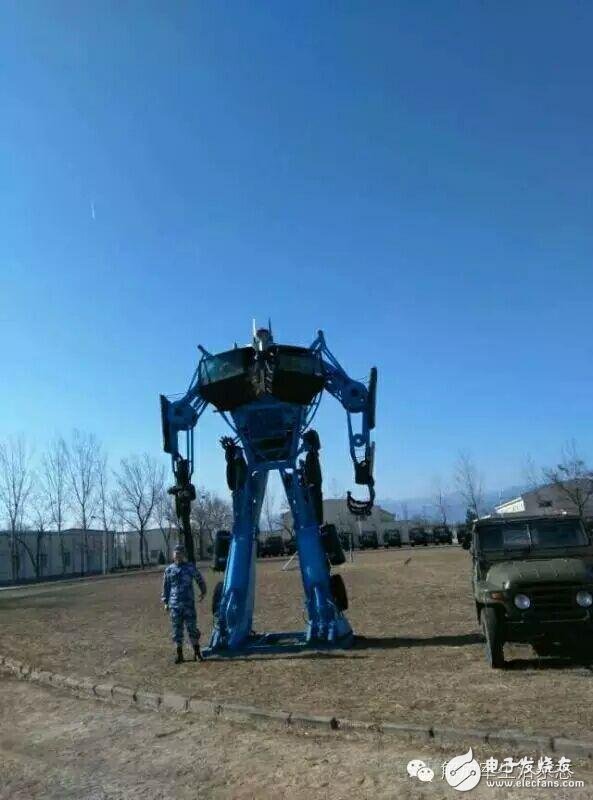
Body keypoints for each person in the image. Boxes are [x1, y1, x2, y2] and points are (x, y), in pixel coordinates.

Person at [161, 543, 207, 663]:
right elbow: (166, 587)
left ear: (183, 555)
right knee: (177, 630)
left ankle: (197, 653)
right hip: (174, 606)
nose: (178, 555)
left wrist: (203, 591)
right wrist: (165, 602)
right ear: (173, 555)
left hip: (188, 604)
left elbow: (199, 579)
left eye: (180, 553)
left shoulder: (190, 567)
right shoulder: (169, 570)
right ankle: (179, 655)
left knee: (192, 628)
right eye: (176, 553)